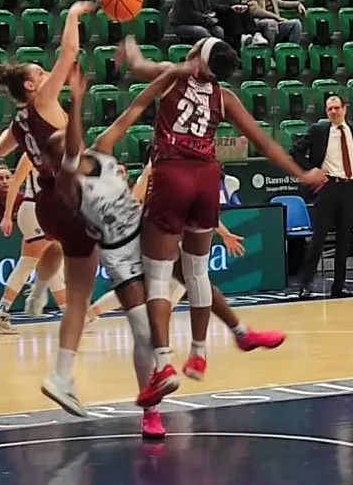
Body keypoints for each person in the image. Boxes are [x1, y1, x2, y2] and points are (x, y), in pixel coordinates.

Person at [48, 79, 286, 438]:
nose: (72, 139)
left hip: (146, 230)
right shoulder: (67, 186)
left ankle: (241, 333)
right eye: (64, 141)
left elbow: (137, 107)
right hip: (119, 254)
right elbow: (67, 151)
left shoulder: (102, 150)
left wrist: (168, 77)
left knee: (195, 277)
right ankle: (151, 409)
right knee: (143, 333)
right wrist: (77, 102)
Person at [118, 35, 326, 408]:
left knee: (159, 277)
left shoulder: (172, 74)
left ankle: (163, 365)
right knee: (197, 272)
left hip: (172, 172)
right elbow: (265, 143)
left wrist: (130, 45)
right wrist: (301, 172)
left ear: (197, 55)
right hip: (206, 177)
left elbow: (137, 68)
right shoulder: (224, 97)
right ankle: (198, 354)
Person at [0, 1, 98, 334]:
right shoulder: (44, 100)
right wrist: (74, 14)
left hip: (49, 197)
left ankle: (46, 298)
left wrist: (22, 130)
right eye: (40, 73)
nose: (47, 75)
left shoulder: (21, 120)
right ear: (33, 87)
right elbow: (69, 52)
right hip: (63, 191)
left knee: (60, 247)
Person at [293, 94, 353, 299]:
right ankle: (305, 283)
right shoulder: (319, 131)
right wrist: (312, 170)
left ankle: (339, 285)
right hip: (328, 186)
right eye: (329, 109)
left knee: (344, 237)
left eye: (336, 108)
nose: (333, 112)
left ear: (345, 109)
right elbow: (296, 151)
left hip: (350, 187)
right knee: (319, 236)